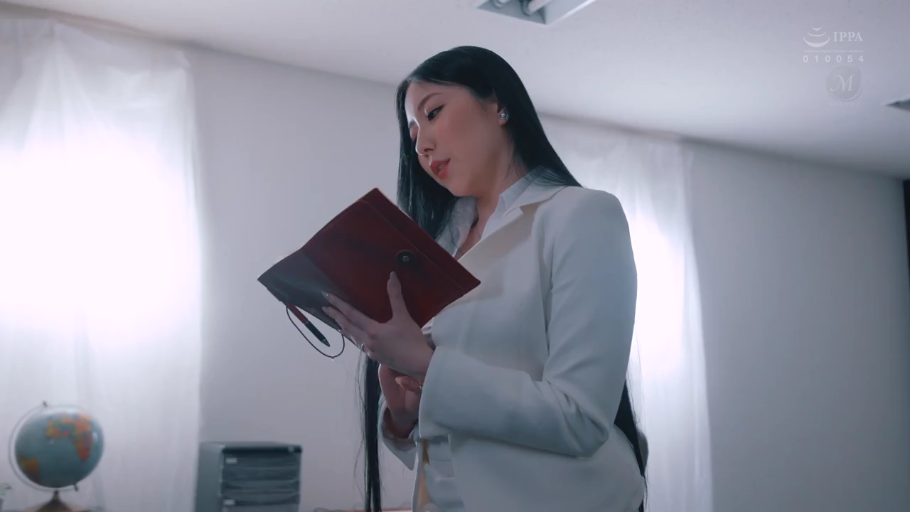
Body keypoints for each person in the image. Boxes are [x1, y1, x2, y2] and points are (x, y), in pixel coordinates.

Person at [322, 46, 647, 512]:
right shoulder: (436, 244)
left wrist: (428, 368)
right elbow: (460, 448)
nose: (421, 146)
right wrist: (404, 415)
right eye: (412, 133)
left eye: (433, 113)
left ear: (498, 105)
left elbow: (580, 419)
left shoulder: (582, 215)